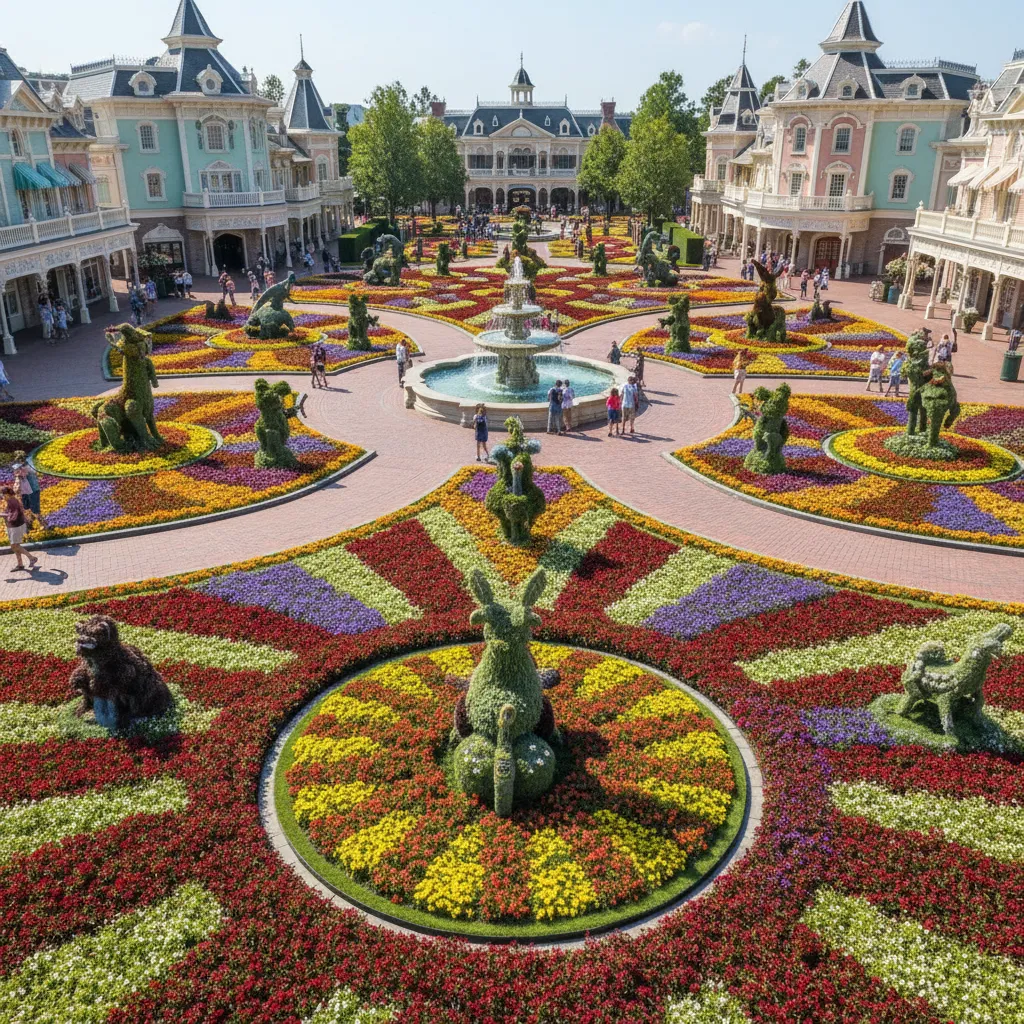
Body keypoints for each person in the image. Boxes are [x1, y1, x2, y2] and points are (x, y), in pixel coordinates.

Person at [2, 485, 37, 572]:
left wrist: (3, 515)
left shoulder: (13, 501)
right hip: (12, 525)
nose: (1, 497)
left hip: (16, 526)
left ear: (6, 494)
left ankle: (31, 558)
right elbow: (9, 512)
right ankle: (20, 564)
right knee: (14, 546)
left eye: (2, 495)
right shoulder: (9, 500)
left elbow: (14, 515)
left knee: (15, 545)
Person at [12, 454, 44, 528]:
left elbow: (34, 472)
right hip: (24, 491)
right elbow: (17, 476)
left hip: (33, 490)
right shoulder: (18, 467)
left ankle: (44, 525)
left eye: (20, 459)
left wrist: (24, 470)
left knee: (35, 509)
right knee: (26, 507)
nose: (19, 461)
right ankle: (30, 523)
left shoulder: (30, 466)